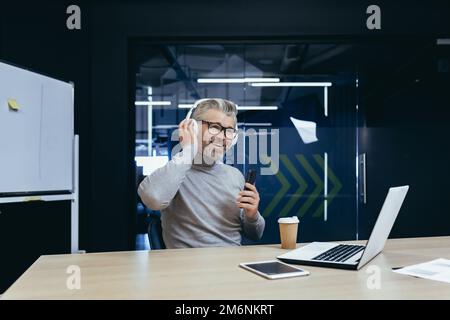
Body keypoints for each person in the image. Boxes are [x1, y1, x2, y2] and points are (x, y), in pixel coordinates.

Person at [138, 98, 265, 248]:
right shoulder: (175, 172)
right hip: (191, 268)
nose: (222, 137)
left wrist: (252, 215)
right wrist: (189, 150)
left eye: (229, 131)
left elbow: (255, 234)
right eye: (215, 127)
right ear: (194, 128)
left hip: (232, 264)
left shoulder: (235, 176)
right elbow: (153, 199)